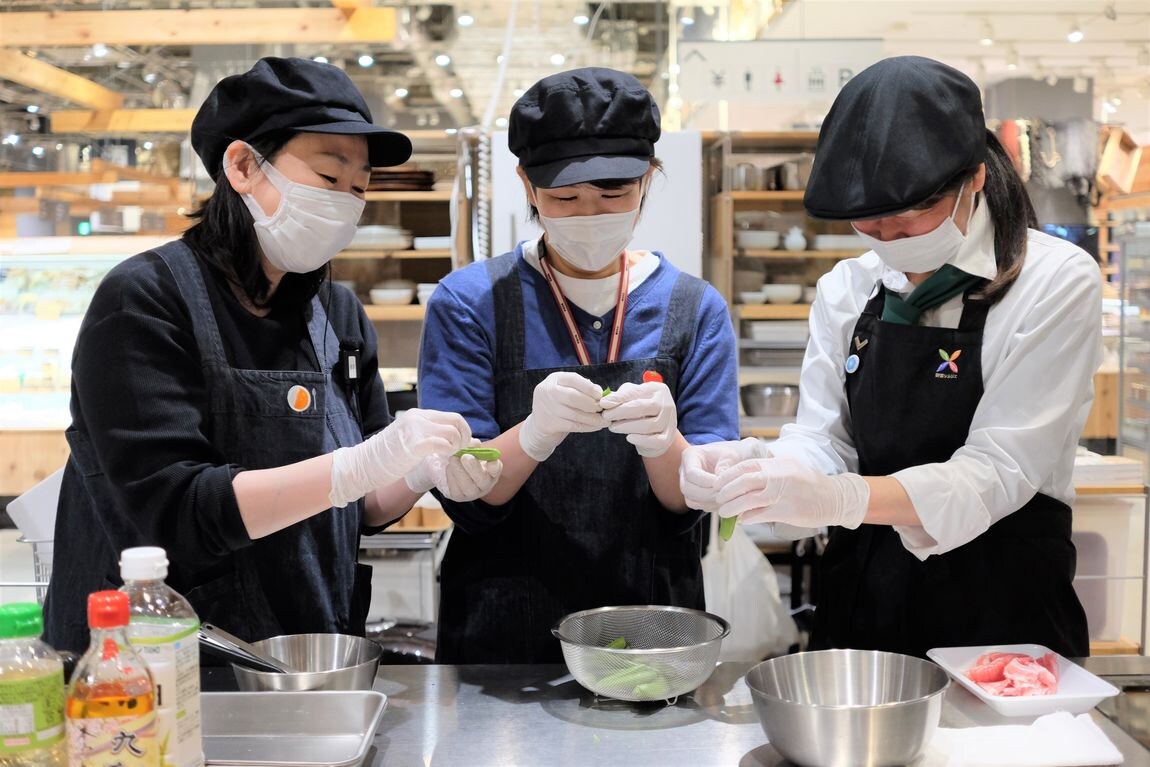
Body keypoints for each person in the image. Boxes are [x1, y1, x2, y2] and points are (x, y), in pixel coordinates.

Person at [44, 57, 502, 653]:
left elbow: (358, 506)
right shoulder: (145, 301)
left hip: (303, 650)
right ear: (242, 166)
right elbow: (176, 512)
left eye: (360, 187)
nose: (347, 202)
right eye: (329, 177)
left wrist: (417, 473)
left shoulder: (337, 316)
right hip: (156, 664)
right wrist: (360, 464)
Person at [681, 56, 1101, 659]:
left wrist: (844, 499)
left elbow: (997, 472)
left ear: (975, 178)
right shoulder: (848, 288)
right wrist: (756, 466)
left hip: (1004, 609)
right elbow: (825, 440)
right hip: (863, 607)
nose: (888, 240)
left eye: (909, 217)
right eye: (869, 225)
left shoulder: (1055, 281)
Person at [417, 67, 739, 663]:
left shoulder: (693, 309)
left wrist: (666, 444)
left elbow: (694, 500)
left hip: (655, 624)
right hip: (504, 620)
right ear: (526, 184)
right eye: (565, 197)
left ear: (649, 179)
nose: (589, 214)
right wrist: (533, 435)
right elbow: (465, 490)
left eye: (614, 194)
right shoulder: (470, 303)